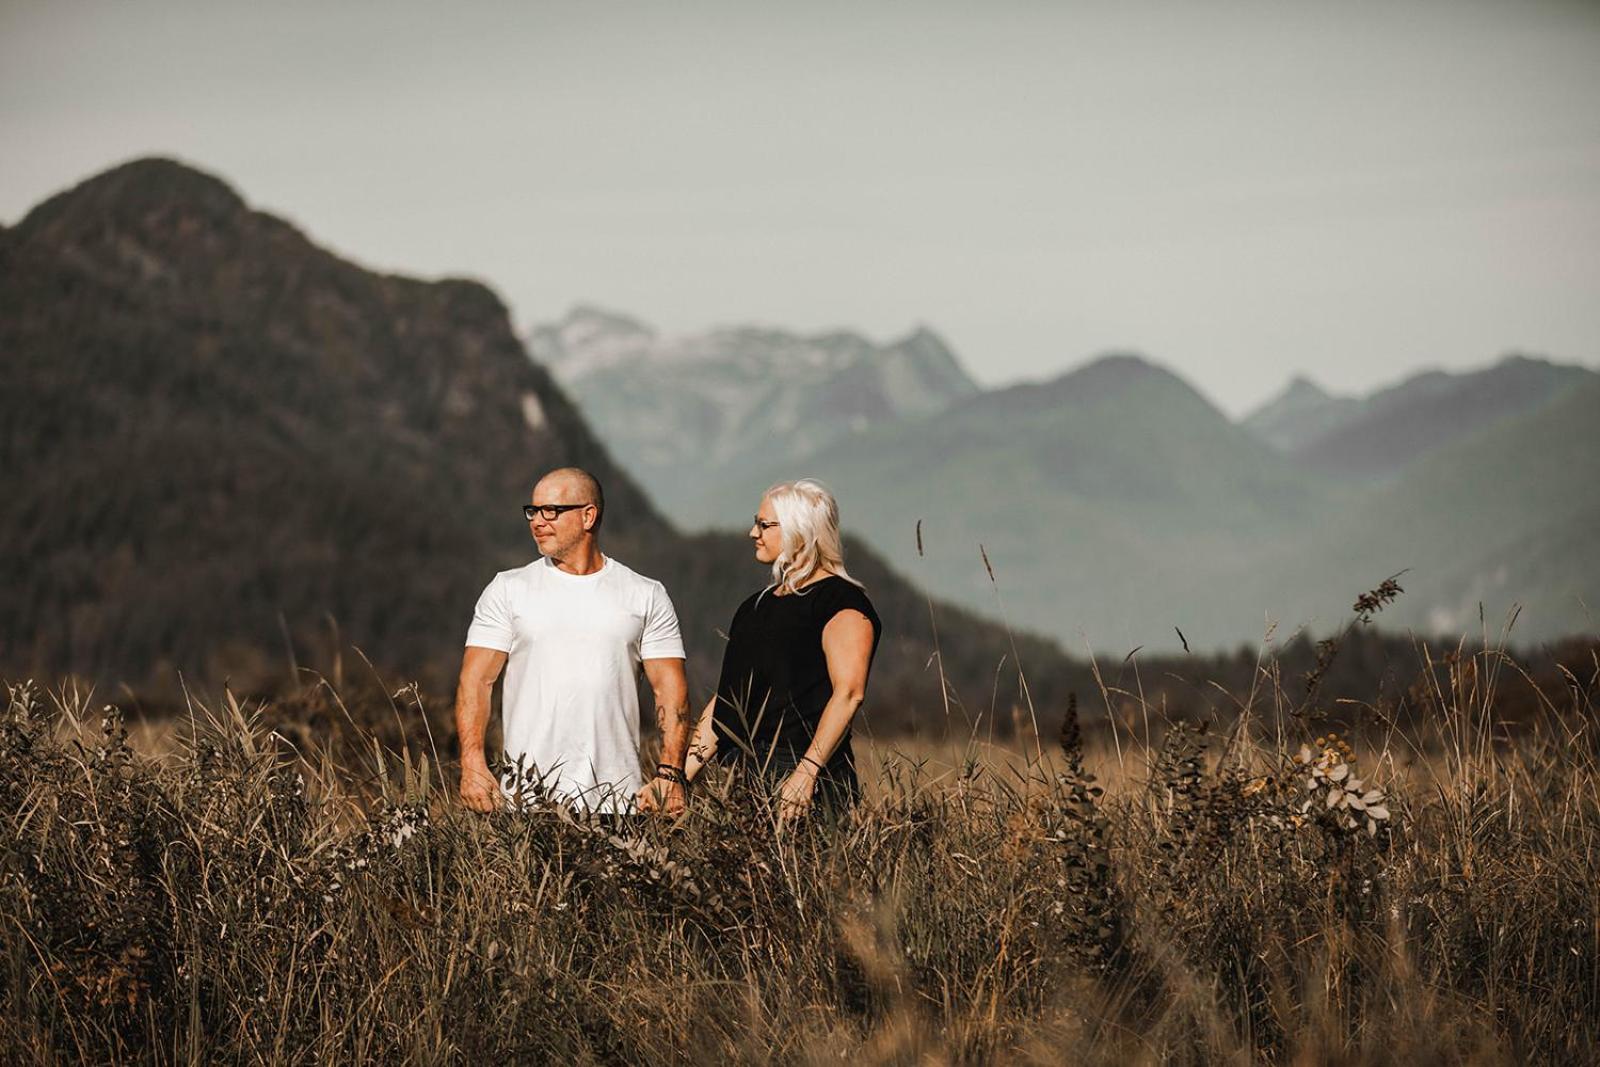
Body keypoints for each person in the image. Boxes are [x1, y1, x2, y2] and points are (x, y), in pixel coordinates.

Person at [454, 467, 691, 817]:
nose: (537, 521)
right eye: (532, 511)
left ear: (588, 516)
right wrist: (472, 761)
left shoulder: (645, 594)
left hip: (619, 800)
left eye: (551, 510)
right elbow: (475, 681)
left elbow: (670, 690)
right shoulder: (508, 589)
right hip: (527, 801)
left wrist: (670, 774)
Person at [684, 479, 881, 821]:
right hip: (738, 774)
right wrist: (679, 777)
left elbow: (849, 694)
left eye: (764, 524)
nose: (752, 532)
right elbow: (729, 699)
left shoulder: (842, 602)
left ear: (798, 530)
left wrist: (807, 773)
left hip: (802, 774)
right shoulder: (754, 606)